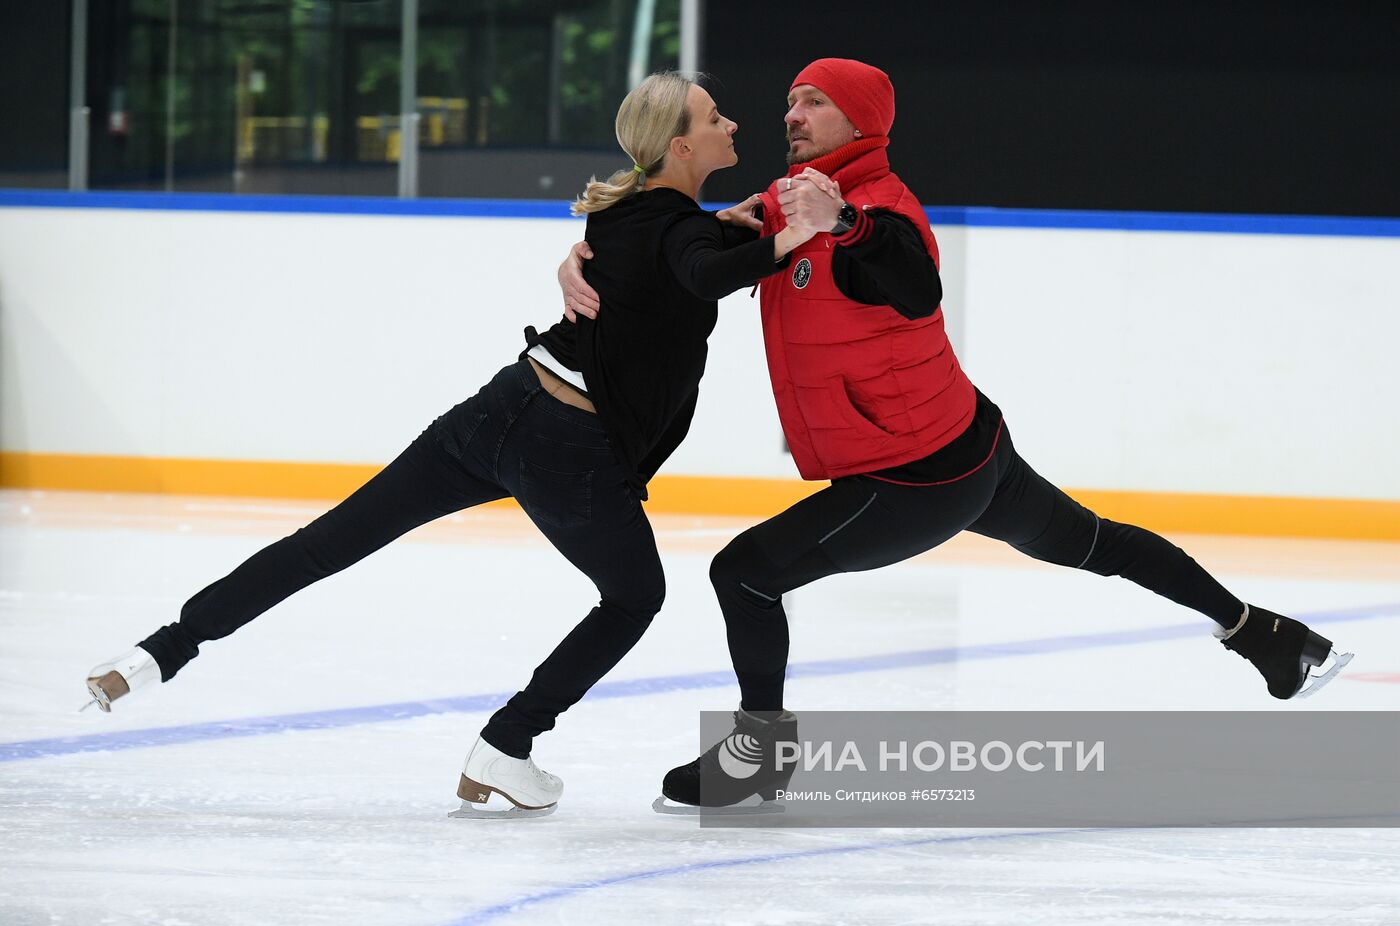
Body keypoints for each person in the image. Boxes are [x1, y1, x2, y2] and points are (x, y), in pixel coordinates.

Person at [556, 58, 1354, 811]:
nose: (790, 112)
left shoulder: (885, 209)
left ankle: (760, 762)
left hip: (914, 477)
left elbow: (915, 285)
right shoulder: (792, 196)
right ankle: (1268, 636)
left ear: (859, 118)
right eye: (792, 98)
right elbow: (682, 253)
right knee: (1098, 542)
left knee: (745, 575)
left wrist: (850, 223)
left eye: (814, 102)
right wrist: (584, 255)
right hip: (970, 442)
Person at [82, 72, 821, 819]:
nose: (733, 123)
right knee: (636, 596)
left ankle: (161, 649)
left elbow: (678, 253)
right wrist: (789, 235)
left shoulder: (623, 215)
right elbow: (698, 269)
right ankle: (508, 743)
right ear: (680, 144)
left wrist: (738, 224)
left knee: (328, 541)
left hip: (500, 407)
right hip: (571, 443)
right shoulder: (680, 232)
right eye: (715, 116)